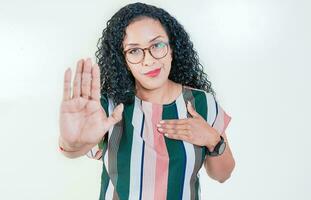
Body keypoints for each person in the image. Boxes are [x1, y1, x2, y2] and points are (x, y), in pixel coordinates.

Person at [58, 2, 235, 200]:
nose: (148, 60)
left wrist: (213, 139)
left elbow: (222, 175)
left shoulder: (202, 103)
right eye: (134, 51)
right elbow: (75, 149)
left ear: (172, 47)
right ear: (122, 59)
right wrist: (71, 142)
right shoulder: (107, 107)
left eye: (157, 45)